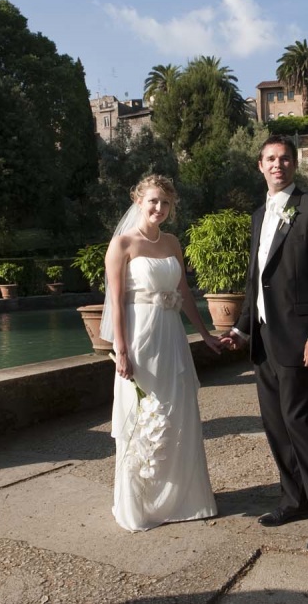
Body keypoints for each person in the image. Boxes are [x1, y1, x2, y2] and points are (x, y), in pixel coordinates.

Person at [221, 135, 308, 553]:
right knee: (276, 427)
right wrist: (242, 328)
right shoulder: (260, 214)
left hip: (298, 340)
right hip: (263, 340)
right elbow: (254, 280)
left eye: (285, 159)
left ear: (294, 165)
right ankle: (295, 501)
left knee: (302, 426)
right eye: (271, 159)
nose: (278, 165)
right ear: (260, 165)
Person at [103, 174, 222, 532]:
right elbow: (117, 303)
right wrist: (121, 350)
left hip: (172, 338)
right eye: (153, 200)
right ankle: (140, 505)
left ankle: (183, 500)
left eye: (166, 203)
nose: (159, 208)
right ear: (138, 201)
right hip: (141, 337)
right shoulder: (122, 244)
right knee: (144, 415)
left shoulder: (172, 242)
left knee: (178, 412)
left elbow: (184, 292)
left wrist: (205, 334)